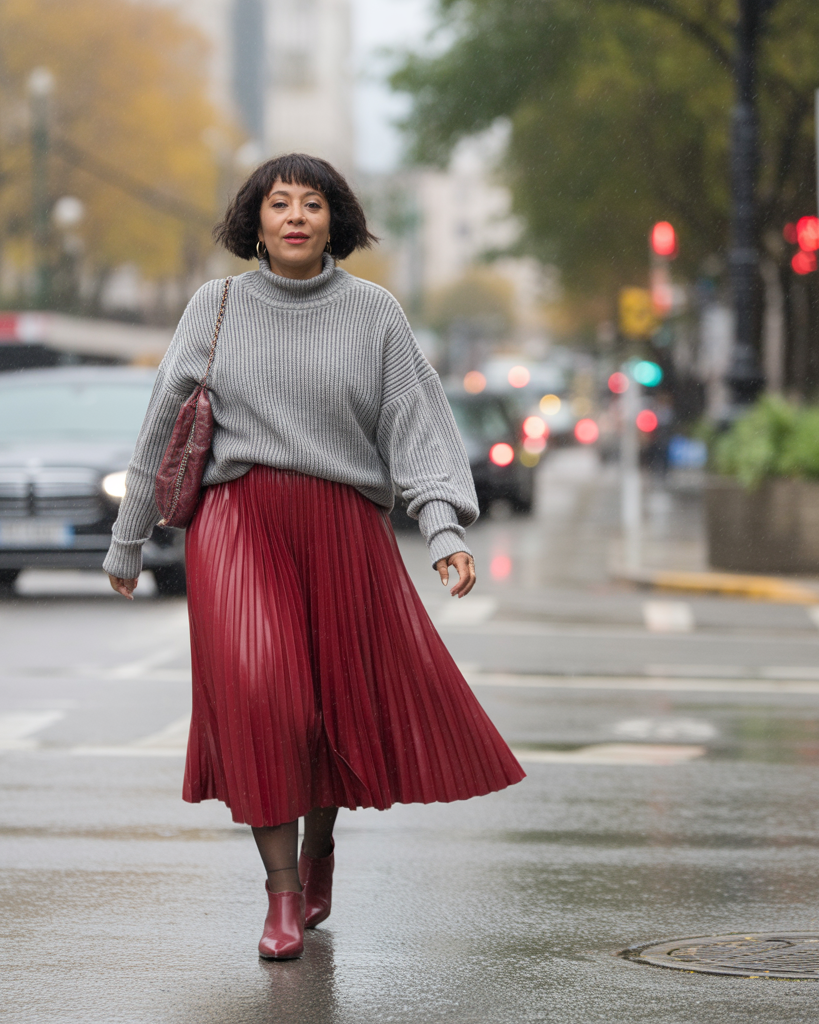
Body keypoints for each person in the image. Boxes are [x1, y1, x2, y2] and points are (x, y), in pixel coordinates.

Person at [104, 154, 525, 960]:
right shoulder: (215, 306)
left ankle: (318, 845)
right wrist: (129, 538)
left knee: (327, 711)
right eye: (278, 203)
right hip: (238, 520)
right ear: (254, 222)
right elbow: (160, 427)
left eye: (312, 203)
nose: (295, 216)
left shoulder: (375, 314)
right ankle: (282, 895)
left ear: (335, 218)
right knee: (269, 697)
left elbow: (420, 430)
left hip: (342, 526)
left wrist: (444, 532)